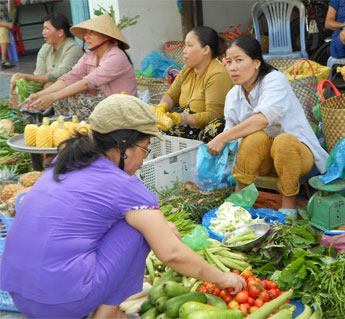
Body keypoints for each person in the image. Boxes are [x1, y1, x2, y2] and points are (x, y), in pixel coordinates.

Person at [0, 94, 246, 319]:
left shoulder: (64, 164)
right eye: (144, 149)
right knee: (140, 229)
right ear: (123, 145)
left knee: (146, 224)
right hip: (62, 303)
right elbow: (171, 254)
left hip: (22, 296)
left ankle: (111, 311)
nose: (144, 159)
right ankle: (106, 315)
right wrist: (224, 278)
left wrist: (162, 227)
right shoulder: (122, 185)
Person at [207, 36, 329, 218]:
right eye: (229, 61)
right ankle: (239, 202)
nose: (232, 67)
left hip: (296, 156)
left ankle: (289, 206)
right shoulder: (233, 95)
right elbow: (231, 131)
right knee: (254, 138)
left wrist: (222, 138)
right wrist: (222, 148)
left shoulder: (275, 80)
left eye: (239, 60)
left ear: (256, 62)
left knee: (283, 141)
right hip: (263, 162)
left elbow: (263, 119)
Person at [19, 14, 137, 121]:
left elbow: (86, 83)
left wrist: (51, 98)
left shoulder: (116, 56)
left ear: (106, 37)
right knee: (62, 99)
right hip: (105, 104)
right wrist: (40, 95)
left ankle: (86, 135)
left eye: (92, 33)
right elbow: (70, 77)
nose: (86, 37)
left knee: (76, 98)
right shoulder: (90, 56)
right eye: (86, 33)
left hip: (122, 109)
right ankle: (69, 131)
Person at [157, 26, 233, 143]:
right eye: (185, 45)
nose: (184, 50)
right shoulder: (188, 69)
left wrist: (181, 118)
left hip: (204, 132)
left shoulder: (217, 74)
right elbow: (172, 95)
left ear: (205, 50)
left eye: (189, 45)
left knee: (217, 126)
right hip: (187, 127)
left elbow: (214, 115)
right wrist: (162, 107)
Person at [10, 13, 82, 94]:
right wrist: (20, 83)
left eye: (47, 29)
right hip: (50, 90)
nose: (43, 33)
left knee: (49, 85)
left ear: (60, 32)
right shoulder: (45, 48)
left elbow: (61, 74)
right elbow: (39, 75)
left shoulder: (73, 48)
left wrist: (28, 77)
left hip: (72, 90)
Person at [0, 0, 14, 69]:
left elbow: (11, 9)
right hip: (3, 23)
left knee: (3, 31)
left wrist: (10, 4)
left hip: (3, 22)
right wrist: (7, 24)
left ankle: (3, 60)